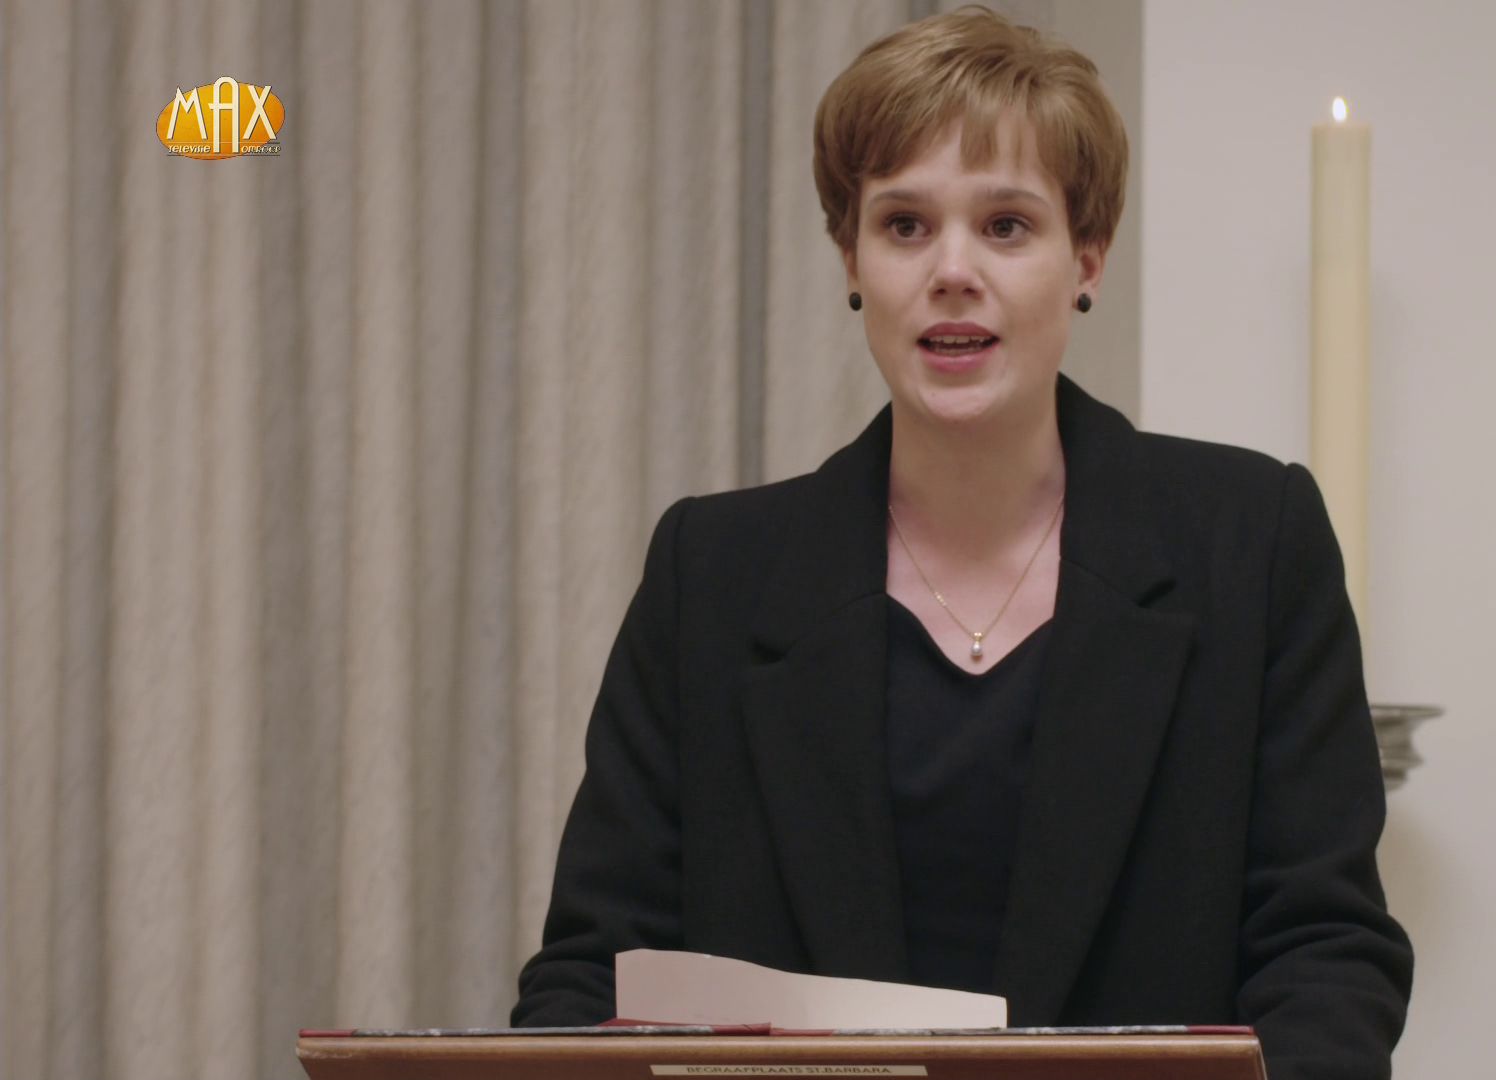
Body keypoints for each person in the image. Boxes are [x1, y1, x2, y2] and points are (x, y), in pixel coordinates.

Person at [512, 7, 1413, 1078]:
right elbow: (591, 978)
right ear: (850, 257)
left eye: (1006, 225)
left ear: (1088, 257)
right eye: (904, 225)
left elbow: (1327, 958)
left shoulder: (1251, 543)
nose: (951, 269)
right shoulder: (710, 572)